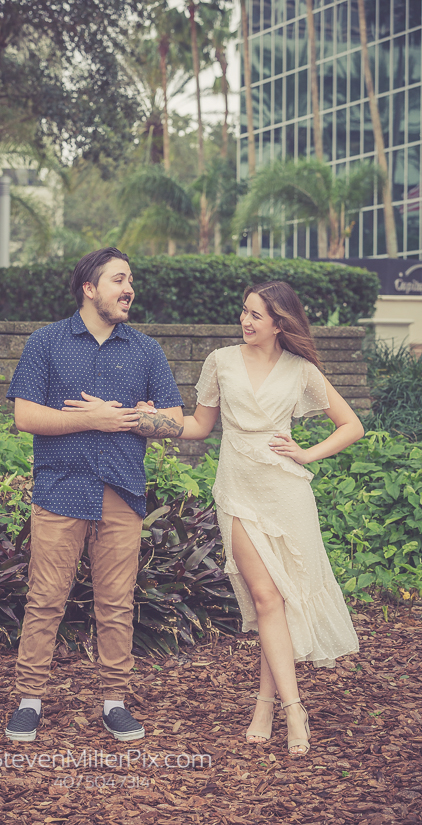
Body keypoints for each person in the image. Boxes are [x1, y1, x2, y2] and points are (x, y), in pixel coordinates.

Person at [4, 247, 184, 743]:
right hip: (61, 490)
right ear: (90, 287)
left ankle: (114, 702)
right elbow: (25, 416)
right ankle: (29, 701)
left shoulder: (146, 349)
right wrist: (90, 419)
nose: (129, 289)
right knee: (45, 599)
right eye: (119, 280)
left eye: (131, 280)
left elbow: (175, 421)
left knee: (117, 602)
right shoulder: (47, 343)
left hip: (120, 493)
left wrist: (131, 417)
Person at [178, 281, 362, 756]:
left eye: (257, 315)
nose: (246, 321)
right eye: (244, 312)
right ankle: (295, 708)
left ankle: (266, 703)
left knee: (274, 603)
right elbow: (198, 426)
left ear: (281, 322)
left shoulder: (301, 370)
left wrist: (306, 455)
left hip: (286, 493)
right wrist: (147, 420)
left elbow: (352, 426)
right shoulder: (220, 361)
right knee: (265, 595)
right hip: (238, 491)